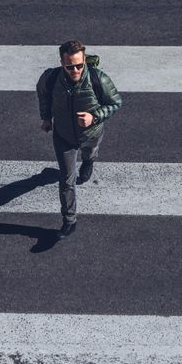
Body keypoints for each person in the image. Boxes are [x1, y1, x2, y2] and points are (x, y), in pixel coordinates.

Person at [36, 40, 122, 239]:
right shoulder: (50, 78)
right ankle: (69, 221)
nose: (75, 70)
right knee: (67, 180)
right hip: (63, 137)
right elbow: (43, 96)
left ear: (84, 61)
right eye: (69, 66)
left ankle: (89, 160)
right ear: (61, 63)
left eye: (79, 65)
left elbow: (116, 102)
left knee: (90, 153)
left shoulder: (98, 79)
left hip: (91, 134)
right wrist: (46, 118)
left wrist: (95, 116)